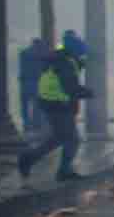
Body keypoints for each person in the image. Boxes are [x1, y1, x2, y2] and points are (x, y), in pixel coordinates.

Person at [17, 33, 90, 181]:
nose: (83, 57)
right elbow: (69, 87)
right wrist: (87, 92)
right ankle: (63, 171)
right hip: (58, 104)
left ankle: (28, 159)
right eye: (81, 53)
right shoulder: (65, 62)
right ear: (75, 50)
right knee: (72, 140)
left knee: (58, 138)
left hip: (52, 103)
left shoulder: (61, 58)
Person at [16, 35, 48, 132]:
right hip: (37, 82)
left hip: (25, 82)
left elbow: (22, 67)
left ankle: (26, 124)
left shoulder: (24, 53)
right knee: (37, 105)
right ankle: (36, 123)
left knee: (24, 105)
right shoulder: (42, 54)